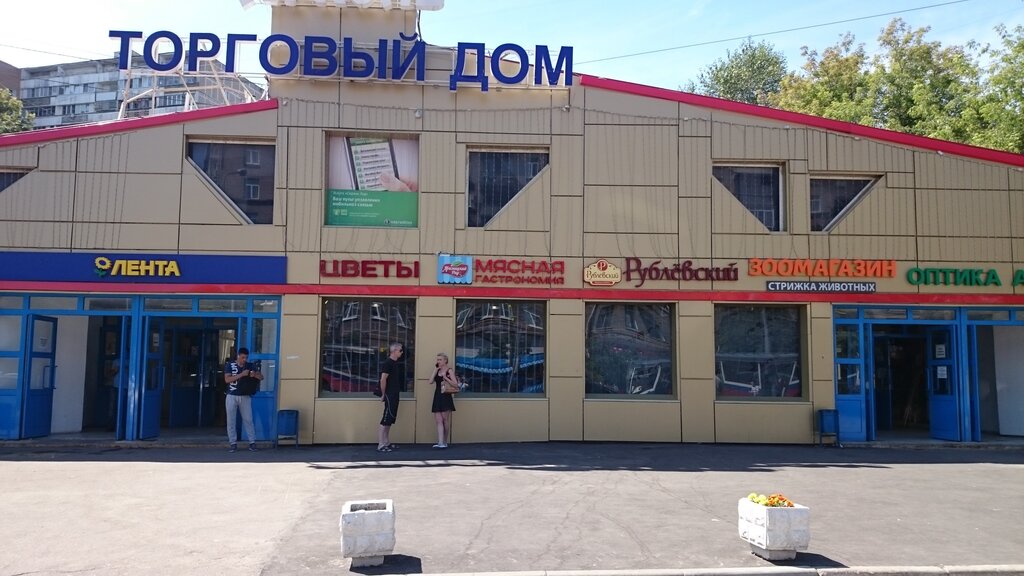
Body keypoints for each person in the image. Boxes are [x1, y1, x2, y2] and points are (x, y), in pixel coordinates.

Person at [224, 347, 263, 453]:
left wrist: (255, 375)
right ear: (238, 356)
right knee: (231, 421)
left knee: (248, 419)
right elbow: (227, 379)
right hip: (231, 395)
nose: (244, 360)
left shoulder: (250, 365)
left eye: (246, 357)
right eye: (242, 357)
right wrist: (241, 374)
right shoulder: (230, 365)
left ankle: (252, 442)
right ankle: (233, 443)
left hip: (245, 396)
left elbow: (261, 377)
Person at [377, 343, 404, 453]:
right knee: (386, 418)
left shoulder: (395, 363)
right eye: (400, 350)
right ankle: (381, 444)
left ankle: (386, 441)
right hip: (389, 394)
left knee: (390, 418)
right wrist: (383, 394)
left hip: (395, 393)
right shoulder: (388, 363)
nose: (401, 352)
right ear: (394, 351)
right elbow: (383, 379)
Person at [431, 353, 459, 449]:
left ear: (445, 361)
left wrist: (446, 377)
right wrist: (435, 370)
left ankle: (445, 441)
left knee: (445, 419)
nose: (438, 361)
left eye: (440, 359)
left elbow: (456, 384)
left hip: (446, 396)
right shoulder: (437, 370)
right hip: (438, 395)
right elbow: (430, 381)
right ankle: (440, 442)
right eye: (437, 359)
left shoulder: (449, 370)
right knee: (438, 420)